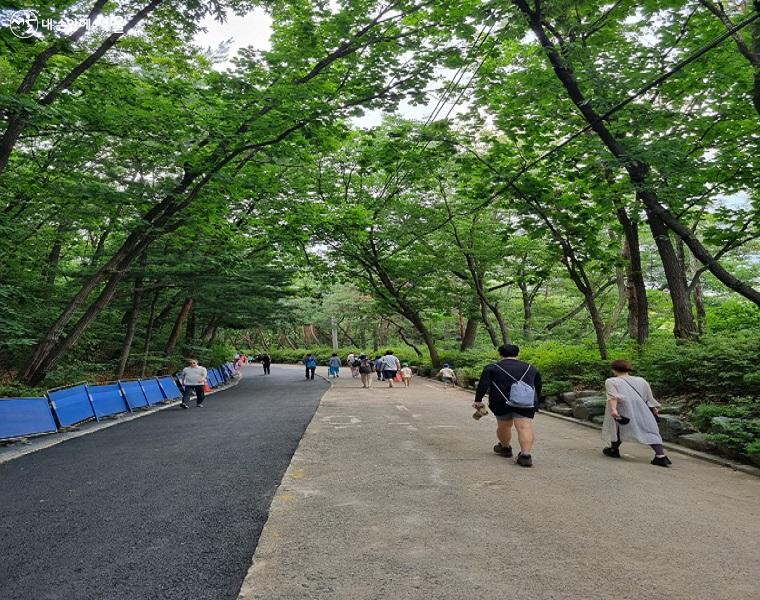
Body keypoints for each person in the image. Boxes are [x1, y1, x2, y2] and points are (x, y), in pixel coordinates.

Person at [472, 344, 542, 467]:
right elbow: (538, 386)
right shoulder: (531, 368)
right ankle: (525, 456)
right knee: (524, 426)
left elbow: (483, 384)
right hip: (525, 402)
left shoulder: (492, 367)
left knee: (504, 426)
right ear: (518, 354)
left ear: (499, 354)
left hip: (501, 402)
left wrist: (478, 400)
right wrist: (536, 400)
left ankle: (505, 448)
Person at [602, 359, 672, 467]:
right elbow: (649, 397)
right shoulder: (641, 380)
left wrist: (614, 409)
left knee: (620, 427)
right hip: (643, 409)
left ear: (614, 370)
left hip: (624, 409)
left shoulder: (611, 381)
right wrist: (653, 409)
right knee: (649, 430)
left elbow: (613, 397)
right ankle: (660, 456)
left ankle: (613, 449)